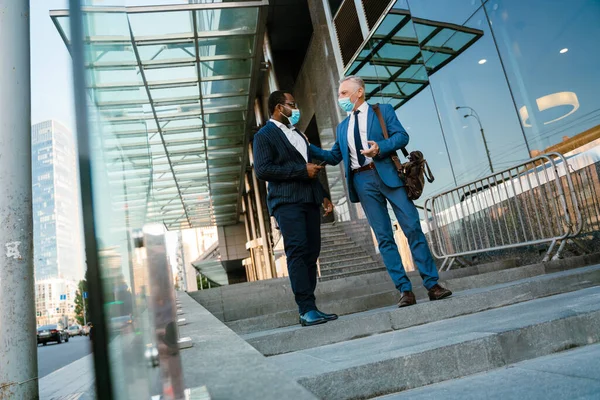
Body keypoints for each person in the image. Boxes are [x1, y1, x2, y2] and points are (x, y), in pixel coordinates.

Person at [309, 76, 452, 307]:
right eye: (339, 94)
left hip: (386, 173)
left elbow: (401, 136)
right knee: (384, 238)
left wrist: (380, 148)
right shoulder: (342, 127)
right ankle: (404, 290)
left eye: (344, 93)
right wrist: (306, 145)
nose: (340, 98)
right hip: (362, 181)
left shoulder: (382, 111)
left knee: (413, 227)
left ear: (360, 93)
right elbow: (334, 156)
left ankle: (432, 285)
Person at [253, 90, 337, 326]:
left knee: (312, 252)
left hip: (309, 199)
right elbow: (263, 170)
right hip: (287, 202)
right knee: (298, 251)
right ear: (280, 108)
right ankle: (305, 308)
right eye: (293, 104)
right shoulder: (264, 136)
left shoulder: (298, 134)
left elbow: (309, 166)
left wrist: (323, 195)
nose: (296, 108)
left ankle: (311, 305)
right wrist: (302, 171)